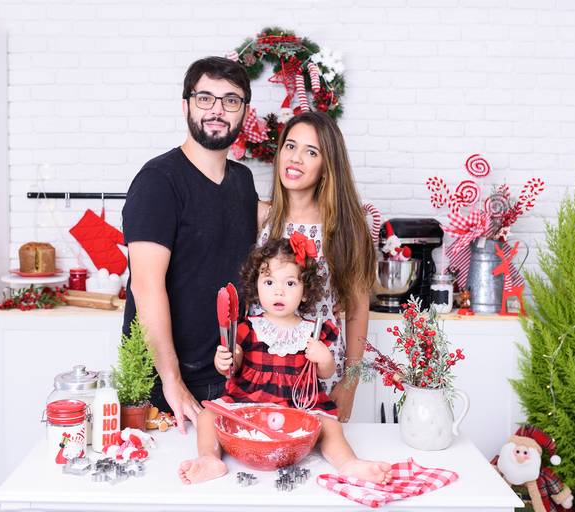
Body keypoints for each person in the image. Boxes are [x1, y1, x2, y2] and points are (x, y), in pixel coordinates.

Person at [178, 235, 391, 484]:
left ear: (305, 292)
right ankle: (209, 459)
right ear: (256, 286)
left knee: (331, 427)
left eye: (290, 283)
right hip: (250, 404)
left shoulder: (313, 331)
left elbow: (325, 372)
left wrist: (324, 358)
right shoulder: (248, 328)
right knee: (207, 416)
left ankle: (349, 463)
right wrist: (225, 360)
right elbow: (232, 367)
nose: (278, 291)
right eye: (269, 282)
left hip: (297, 408)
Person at [122, 57, 258, 433]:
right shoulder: (158, 181)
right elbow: (146, 286)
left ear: (244, 113)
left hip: (230, 377)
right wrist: (172, 381)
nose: (217, 109)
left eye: (231, 100)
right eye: (205, 98)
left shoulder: (242, 181)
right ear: (186, 106)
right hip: (166, 386)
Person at [255, 111, 378, 423]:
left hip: (320, 372)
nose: (295, 158)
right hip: (264, 369)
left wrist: (350, 383)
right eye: (290, 146)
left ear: (327, 166)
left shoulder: (345, 229)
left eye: (311, 152)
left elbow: (357, 310)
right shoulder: (261, 218)